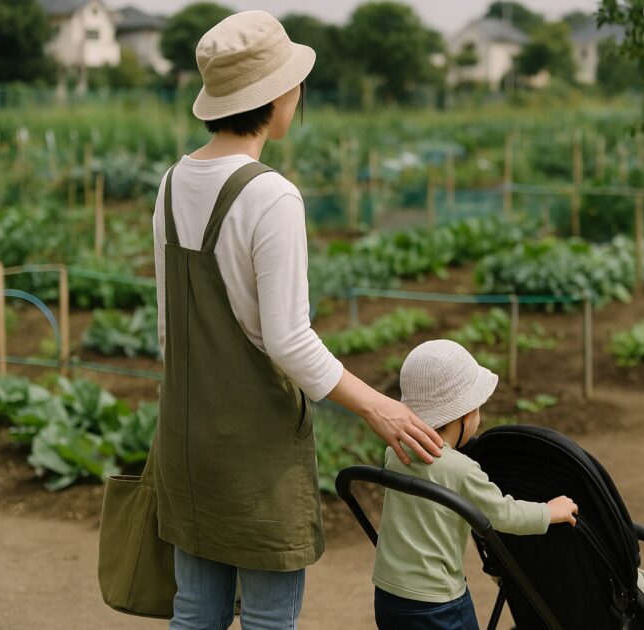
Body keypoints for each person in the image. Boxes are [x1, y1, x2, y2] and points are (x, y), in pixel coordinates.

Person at [150, 11, 442, 630]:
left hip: (186, 438)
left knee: (195, 611)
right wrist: (376, 406)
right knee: (266, 618)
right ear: (278, 95)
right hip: (256, 451)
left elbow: (167, 333)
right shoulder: (271, 195)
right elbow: (288, 338)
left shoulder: (173, 183)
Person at [371, 339, 644, 630]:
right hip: (438, 602)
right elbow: (505, 515)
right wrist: (549, 511)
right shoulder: (461, 470)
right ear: (464, 414)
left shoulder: (394, 451)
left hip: (388, 595)